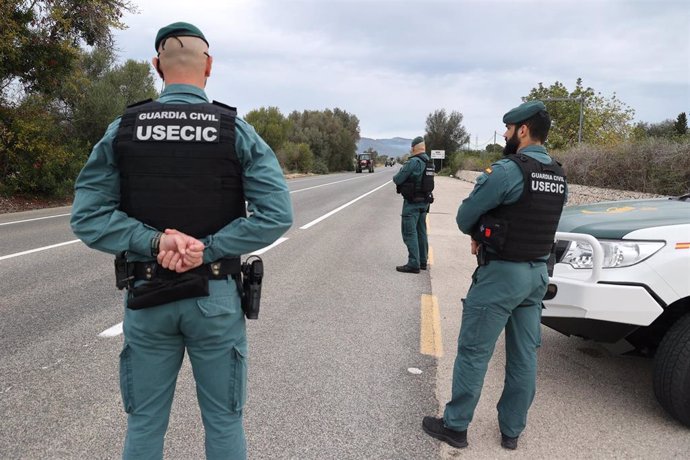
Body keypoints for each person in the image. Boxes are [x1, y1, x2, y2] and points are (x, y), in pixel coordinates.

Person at [70, 22, 293, 460]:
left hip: (147, 295)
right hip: (215, 296)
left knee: (145, 422)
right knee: (225, 422)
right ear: (208, 67)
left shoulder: (124, 128)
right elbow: (277, 214)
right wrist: (205, 249)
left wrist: (155, 243)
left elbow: (87, 216)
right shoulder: (234, 130)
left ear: (157, 66)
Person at [422, 100, 567, 450]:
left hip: (502, 275)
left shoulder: (507, 170)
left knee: (474, 351)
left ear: (523, 130)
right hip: (536, 276)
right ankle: (511, 431)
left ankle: (455, 426)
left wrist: (477, 232)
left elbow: (463, 216)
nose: (504, 134)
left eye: (508, 128)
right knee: (523, 356)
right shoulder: (559, 175)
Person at [393, 136, 432, 273]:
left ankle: (413, 263)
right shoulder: (429, 162)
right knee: (421, 232)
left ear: (413, 148)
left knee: (410, 233)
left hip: (412, 204)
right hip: (425, 203)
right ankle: (422, 261)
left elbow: (397, 179)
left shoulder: (413, 162)